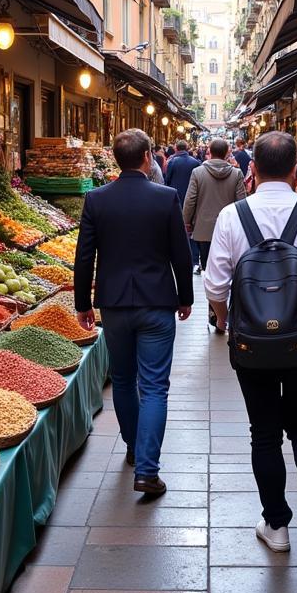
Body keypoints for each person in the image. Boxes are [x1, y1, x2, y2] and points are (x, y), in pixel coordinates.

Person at [206, 132, 297, 567]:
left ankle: (276, 526)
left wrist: (226, 319)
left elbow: (215, 285)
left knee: (265, 433)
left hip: (252, 345)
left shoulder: (234, 217)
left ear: (251, 170)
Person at [74, 129, 193, 495]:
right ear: (147, 158)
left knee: (124, 381)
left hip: (114, 305)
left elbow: (84, 257)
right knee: (155, 386)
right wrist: (185, 296)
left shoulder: (96, 199)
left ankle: (131, 446)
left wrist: (83, 303)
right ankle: (147, 468)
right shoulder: (165, 197)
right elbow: (180, 252)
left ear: (116, 159)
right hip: (157, 302)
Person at [182, 137, 246, 275]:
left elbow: (190, 199)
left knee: (208, 268)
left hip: (204, 228)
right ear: (227, 153)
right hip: (229, 228)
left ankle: (211, 294)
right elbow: (241, 201)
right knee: (227, 268)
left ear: (209, 151)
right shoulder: (236, 173)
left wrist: (186, 221)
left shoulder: (198, 172)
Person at [164, 140, 202, 273]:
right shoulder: (195, 162)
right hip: (192, 199)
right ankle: (194, 261)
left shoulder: (172, 162)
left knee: (176, 228)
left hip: (176, 199)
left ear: (176, 148)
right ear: (187, 148)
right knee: (191, 228)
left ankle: (177, 256)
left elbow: (167, 180)